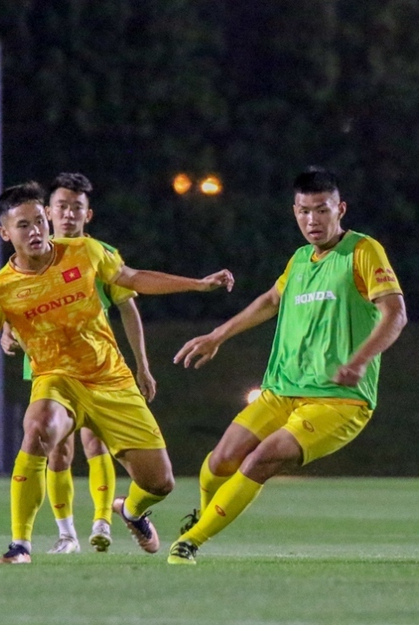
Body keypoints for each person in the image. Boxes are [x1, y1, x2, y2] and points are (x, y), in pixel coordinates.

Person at [0, 181, 234, 564]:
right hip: (56, 381)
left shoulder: (86, 252)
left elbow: (133, 277)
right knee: (39, 426)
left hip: (112, 380)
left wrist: (197, 284)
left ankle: (130, 509)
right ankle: (20, 545)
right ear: (5, 233)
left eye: (40, 221)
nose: (36, 231)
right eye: (23, 225)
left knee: (160, 482)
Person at [167, 167, 406, 565]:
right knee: (219, 462)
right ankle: (203, 519)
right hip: (282, 392)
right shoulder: (298, 260)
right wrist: (217, 336)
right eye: (303, 212)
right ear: (294, 212)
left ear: (340, 209)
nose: (312, 220)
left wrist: (360, 360)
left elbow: (395, 313)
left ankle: (190, 542)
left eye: (321, 210)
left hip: (338, 400)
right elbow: (270, 300)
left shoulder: (363, 252)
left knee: (260, 459)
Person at [0, 172, 156, 555]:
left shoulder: (95, 252)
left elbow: (127, 306)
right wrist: (7, 331)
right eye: (61, 207)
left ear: (89, 215)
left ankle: (102, 521)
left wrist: (142, 364)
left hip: (96, 366)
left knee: (96, 441)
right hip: (49, 363)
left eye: (77, 208)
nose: (68, 214)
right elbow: (13, 298)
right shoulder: (27, 254)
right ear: (48, 212)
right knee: (56, 449)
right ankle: (65, 534)